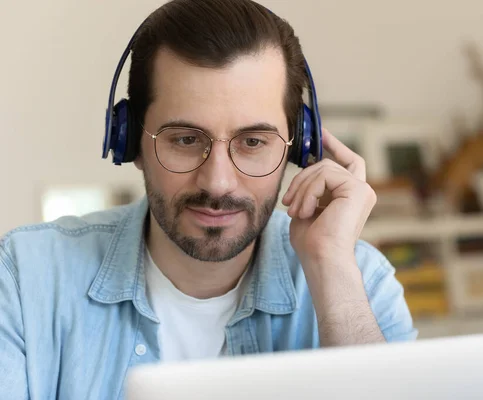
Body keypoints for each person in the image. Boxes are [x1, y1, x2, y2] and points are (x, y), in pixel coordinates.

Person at [0, 0, 416, 398]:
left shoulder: (359, 280)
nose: (218, 183)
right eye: (184, 139)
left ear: (298, 147)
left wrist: (332, 271)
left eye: (253, 141)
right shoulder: (25, 278)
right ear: (129, 143)